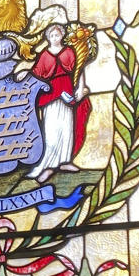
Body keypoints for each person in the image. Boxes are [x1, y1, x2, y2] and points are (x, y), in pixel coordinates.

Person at [28, 22, 90, 181]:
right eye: (52, 35)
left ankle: (64, 161)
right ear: (48, 37)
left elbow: (79, 69)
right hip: (51, 94)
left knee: (67, 127)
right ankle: (48, 166)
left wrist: (81, 88)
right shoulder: (44, 55)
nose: (55, 38)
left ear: (62, 35)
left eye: (57, 35)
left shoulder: (69, 51)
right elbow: (36, 74)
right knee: (51, 130)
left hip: (67, 91)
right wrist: (23, 75)